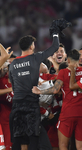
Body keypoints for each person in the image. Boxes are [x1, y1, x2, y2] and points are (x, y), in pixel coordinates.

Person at [9, 19, 70, 150]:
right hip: (31, 105)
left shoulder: (13, 64)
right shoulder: (34, 58)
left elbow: (13, 85)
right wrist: (55, 33)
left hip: (17, 105)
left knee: (20, 142)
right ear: (31, 46)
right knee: (34, 141)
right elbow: (54, 47)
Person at [32, 49, 82, 150]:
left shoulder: (63, 72)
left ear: (68, 60)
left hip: (68, 112)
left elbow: (55, 90)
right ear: (79, 59)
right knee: (81, 146)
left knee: (63, 146)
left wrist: (39, 91)